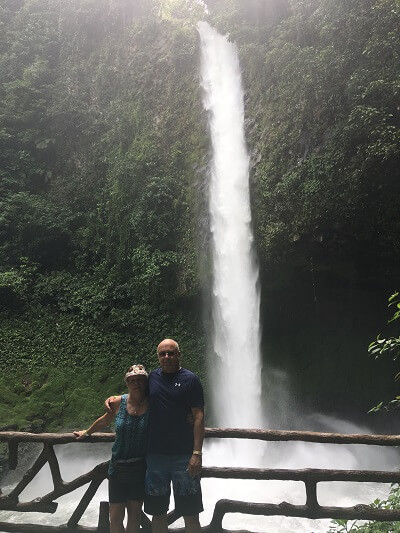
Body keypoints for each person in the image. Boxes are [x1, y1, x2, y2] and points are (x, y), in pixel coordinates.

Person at [106, 339, 205, 533]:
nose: (167, 357)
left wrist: (196, 453)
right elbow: (134, 393)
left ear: (178, 355)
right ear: (158, 357)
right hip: (155, 458)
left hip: (184, 458)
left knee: (191, 513)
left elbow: (198, 415)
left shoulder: (191, 380)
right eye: (163, 354)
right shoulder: (151, 379)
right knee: (158, 513)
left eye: (171, 353)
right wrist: (112, 399)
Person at [74, 364, 149, 533]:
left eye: (140, 380)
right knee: (115, 517)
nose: (136, 383)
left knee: (135, 515)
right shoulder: (118, 402)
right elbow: (104, 420)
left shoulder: (152, 404)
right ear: (127, 383)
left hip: (140, 467)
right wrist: (87, 432)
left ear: (145, 382)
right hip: (117, 468)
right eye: (132, 380)